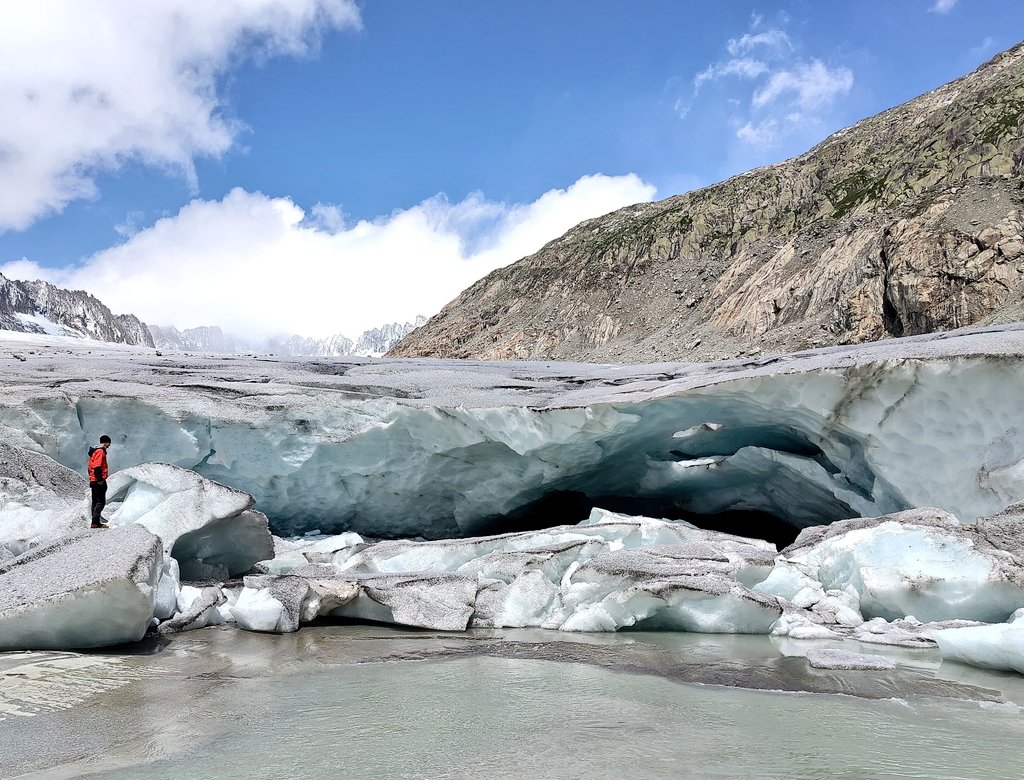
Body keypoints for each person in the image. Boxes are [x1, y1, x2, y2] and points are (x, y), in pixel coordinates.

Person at [88, 435, 112, 529]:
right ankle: (95, 523)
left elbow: (90, 466)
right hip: (98, 480)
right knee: (100, 502)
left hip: (94, 479)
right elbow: (97, 467)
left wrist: (92, 478)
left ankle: (95, 522)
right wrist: (100, 480)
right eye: (109, 443)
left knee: (95, 501)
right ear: (106, 442)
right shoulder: (100, 451)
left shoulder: (95, 452)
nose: (109, 445)